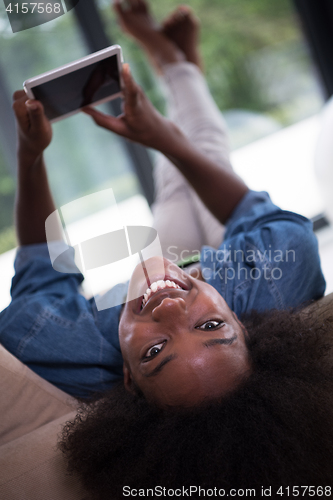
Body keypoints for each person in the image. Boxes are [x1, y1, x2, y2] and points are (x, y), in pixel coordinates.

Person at [1, 0, 332, 495]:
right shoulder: (276, 278)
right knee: (201, 157)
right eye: (210, 327)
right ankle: (173, 61)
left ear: (129, 380)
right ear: (242, 324)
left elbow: (39, 268)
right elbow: (246, 208)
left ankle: (175, 63)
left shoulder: (62, 347)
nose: (169, 309)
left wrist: (31, 156)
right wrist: (161, 138)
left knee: (178, 188)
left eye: (156, 350)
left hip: (173, 274)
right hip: (217, 271)